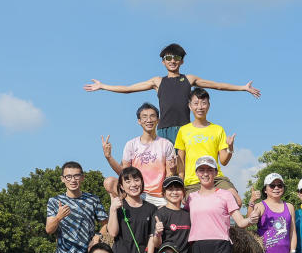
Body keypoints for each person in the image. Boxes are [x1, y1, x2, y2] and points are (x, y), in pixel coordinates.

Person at [83, 42, 260, 143]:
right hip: (164, 129)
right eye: (168, 58)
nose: (172, 61)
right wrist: (103, 86)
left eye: (176, 58)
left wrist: (243, 88)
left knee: (183, 164)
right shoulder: (157, 82)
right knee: (167, 165)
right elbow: (128, 89)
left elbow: (218, 85)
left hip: (185, 129)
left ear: (182, 61)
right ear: (163, 62)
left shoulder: (189, 79)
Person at [101, 103, 177, 206]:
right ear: (139, 121)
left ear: (158, 120)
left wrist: (172, 170)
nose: (149, 120)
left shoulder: (166, 144)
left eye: (152, 116)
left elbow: (169, 175)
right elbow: (124, 173)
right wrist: (108, 157)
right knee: (109, 182)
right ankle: (124, 208)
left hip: (159, 196)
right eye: (144, 117)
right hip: (137, 193)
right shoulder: (131, 144)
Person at [174, 89, 242, 204]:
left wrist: (230, 148)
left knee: (236, 201)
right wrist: (181, 184)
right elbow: (180, 161)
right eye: (196, 103)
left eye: (203, 103)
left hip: (216, 178)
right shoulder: (183, 130)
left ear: (209, 106)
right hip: (193, 181)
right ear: (190, 106)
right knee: (196, 207)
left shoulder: (218, 129)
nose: (200, 107)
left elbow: (224, 161)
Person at [46, 161, 107, 253]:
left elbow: (106, 224)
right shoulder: (54, 201)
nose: (72, 180)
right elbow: (49, 230)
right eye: (68, 176)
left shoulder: (93, 200)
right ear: (62, 179)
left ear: (82, 178)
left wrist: (98, 236)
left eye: (76, 176)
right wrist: (59, 217)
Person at [106, 167, 158, 253]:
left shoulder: (151, 209)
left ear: (142, 182)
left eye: (136, 180)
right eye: (128, 181)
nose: (133, 184)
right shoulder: (118, 206)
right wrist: (113, 209)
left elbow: (151, 237)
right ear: (121, 186)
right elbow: (113, 233)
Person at [151, 175, 193, 253]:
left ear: (183, 192)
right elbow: (156, 244)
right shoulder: (159, 214)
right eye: (170, 189)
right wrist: (157, 233)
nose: (174, 192)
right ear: (164, 193)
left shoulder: (189, 214)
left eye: (178, 189)